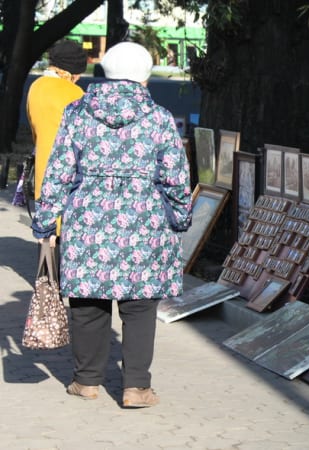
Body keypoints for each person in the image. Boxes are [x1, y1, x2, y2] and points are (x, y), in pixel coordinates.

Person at [31, 42, 192, 408]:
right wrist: (181, 218)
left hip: (87, 220)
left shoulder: (76, 112)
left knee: (88, 302)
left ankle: (86, 381)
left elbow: (58, 171)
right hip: (145, 221)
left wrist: (45, 223)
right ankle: (136, 387)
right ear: (145, 77)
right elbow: (176, 177)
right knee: (140, 306)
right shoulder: (159, 117)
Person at [27, 39, 87, 205]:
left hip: (42, 167)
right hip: (67, 175)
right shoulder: (74, 92)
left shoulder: (36, 86)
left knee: (45, 215)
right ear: (75, 72)